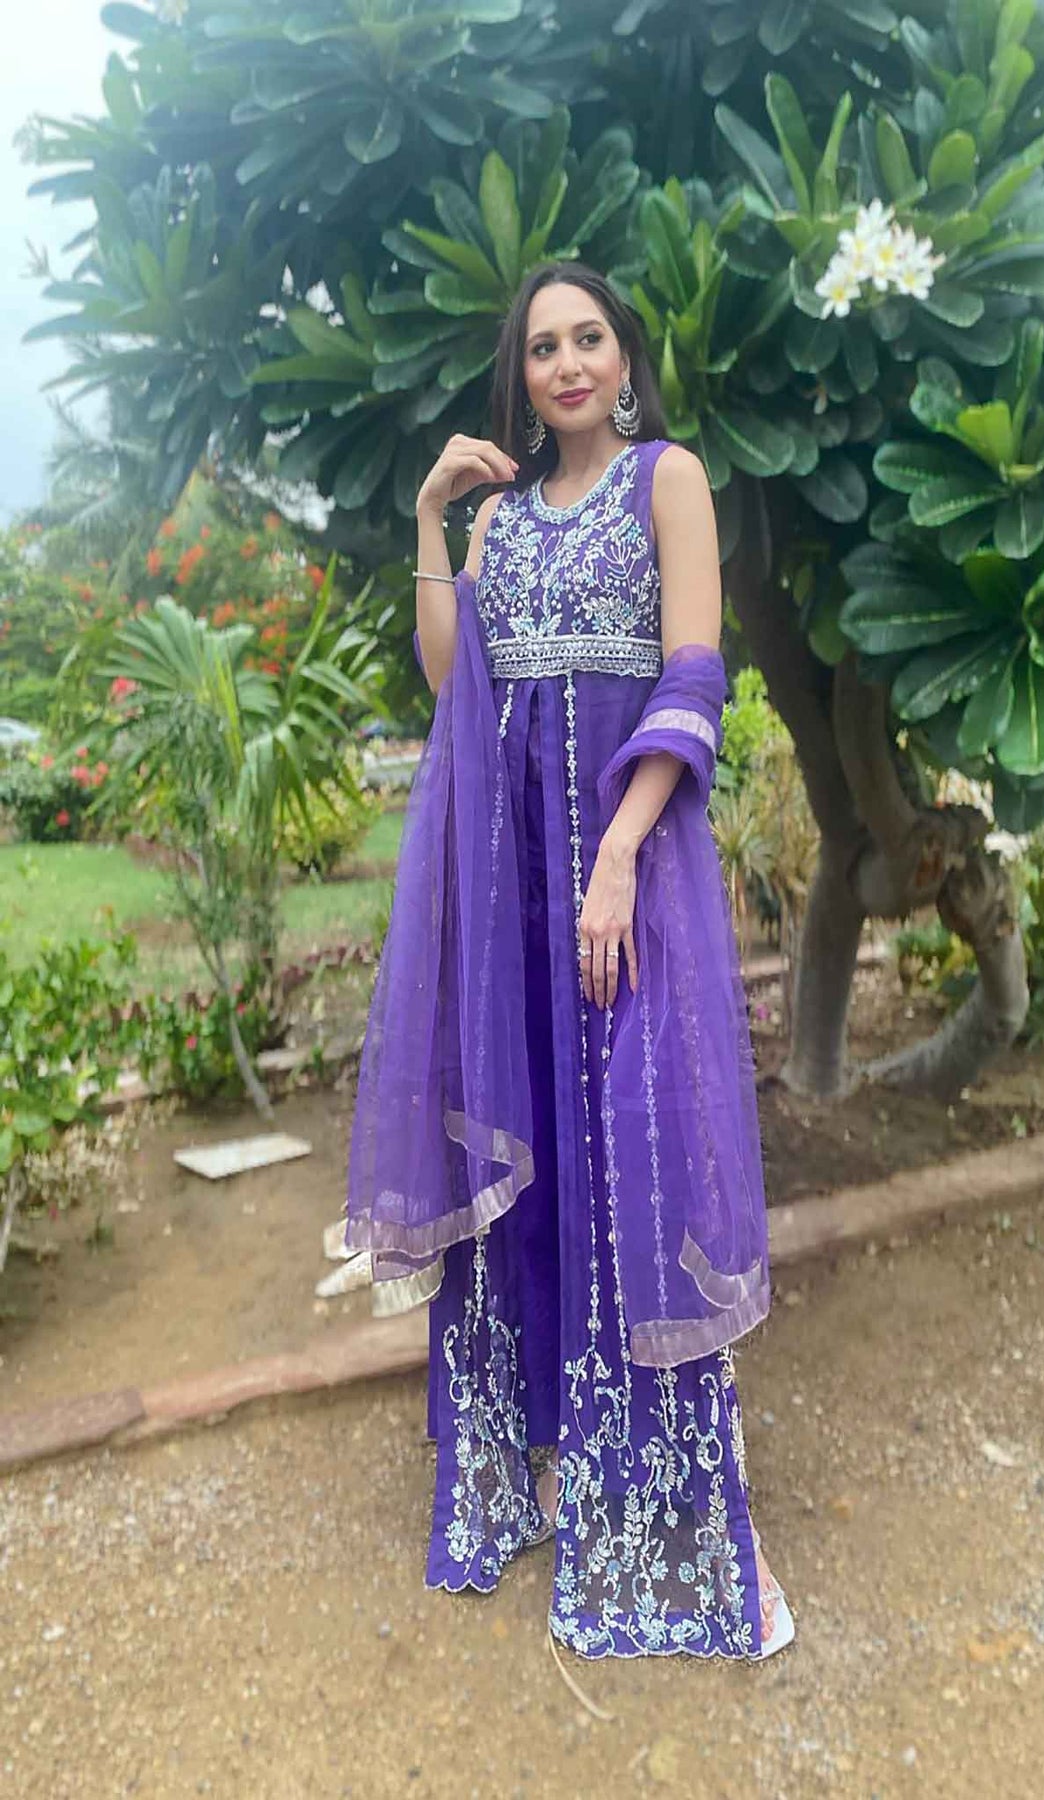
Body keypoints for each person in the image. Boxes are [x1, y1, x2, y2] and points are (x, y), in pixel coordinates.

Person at [326, 261, 793, 1660]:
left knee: (634, 1154)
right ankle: (542, 1452)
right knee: (530, 1156)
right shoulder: (502, 521)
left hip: (628, 883)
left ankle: (664, 1496)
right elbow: (452, 679)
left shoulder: (670, 480)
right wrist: (430, 519)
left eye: (590, 338)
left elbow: (693, 674)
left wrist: (620, 857)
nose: (570, 362)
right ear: (521, 377)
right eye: (544, 347)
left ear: (623, 358)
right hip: (512, 887)